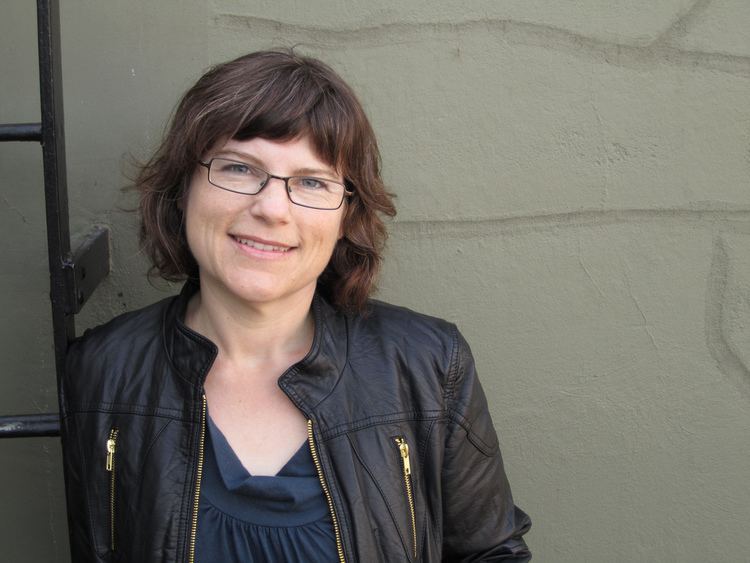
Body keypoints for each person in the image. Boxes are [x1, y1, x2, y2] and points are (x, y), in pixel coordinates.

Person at [60, 50, 531, 562]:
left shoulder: (428, 366)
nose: (271, 208)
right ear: (182, 188)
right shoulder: (103, 371)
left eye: (311, 181)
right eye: (239, 168)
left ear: (346, 214)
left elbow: (491, 554)